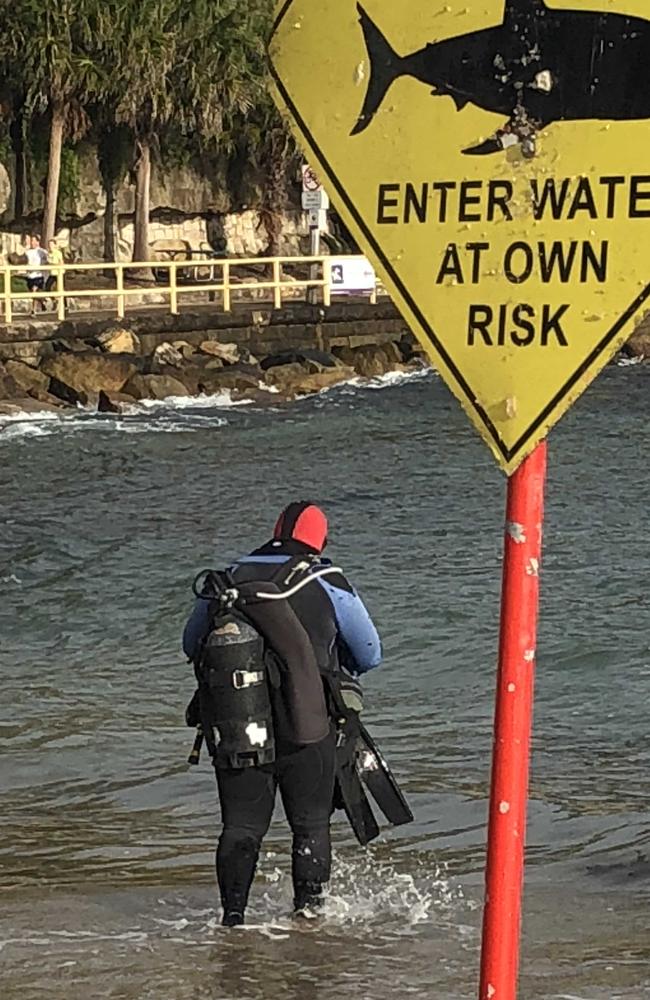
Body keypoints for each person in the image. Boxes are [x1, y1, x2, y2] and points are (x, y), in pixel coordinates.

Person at [182, 501, 382, 926]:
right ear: (320, 540)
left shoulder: (228, 578)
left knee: (240, 828)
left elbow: (189, 645)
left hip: (238, 718)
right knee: (309, 826)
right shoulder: (327, 578)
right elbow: (370, 653)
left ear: (274, 530)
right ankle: (308, 925)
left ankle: (232, 923)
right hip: (307, 722)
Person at [25, 234, 48, 315]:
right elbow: (25, 262)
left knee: (34, 291)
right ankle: (42, 302)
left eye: (34, 241)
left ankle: (33, 310)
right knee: (33, 293)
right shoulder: (27, 252)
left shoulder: (42, 252)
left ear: (38, 242)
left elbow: (48, 260)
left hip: (38, 275)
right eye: (31, 241)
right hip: (29, 275)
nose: (32, 242)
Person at [45, 238, 64, 306]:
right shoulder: (48, 254)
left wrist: (53, 264)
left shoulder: (58, 253)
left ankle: (66, 306)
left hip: (59, 273)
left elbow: (61, 262)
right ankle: (54, 300)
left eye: (52, 244)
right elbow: (47, 263)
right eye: (49, 244)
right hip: (52, 273)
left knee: (61, 289)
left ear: (55, 245)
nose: (50, 246)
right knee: (47, 287)